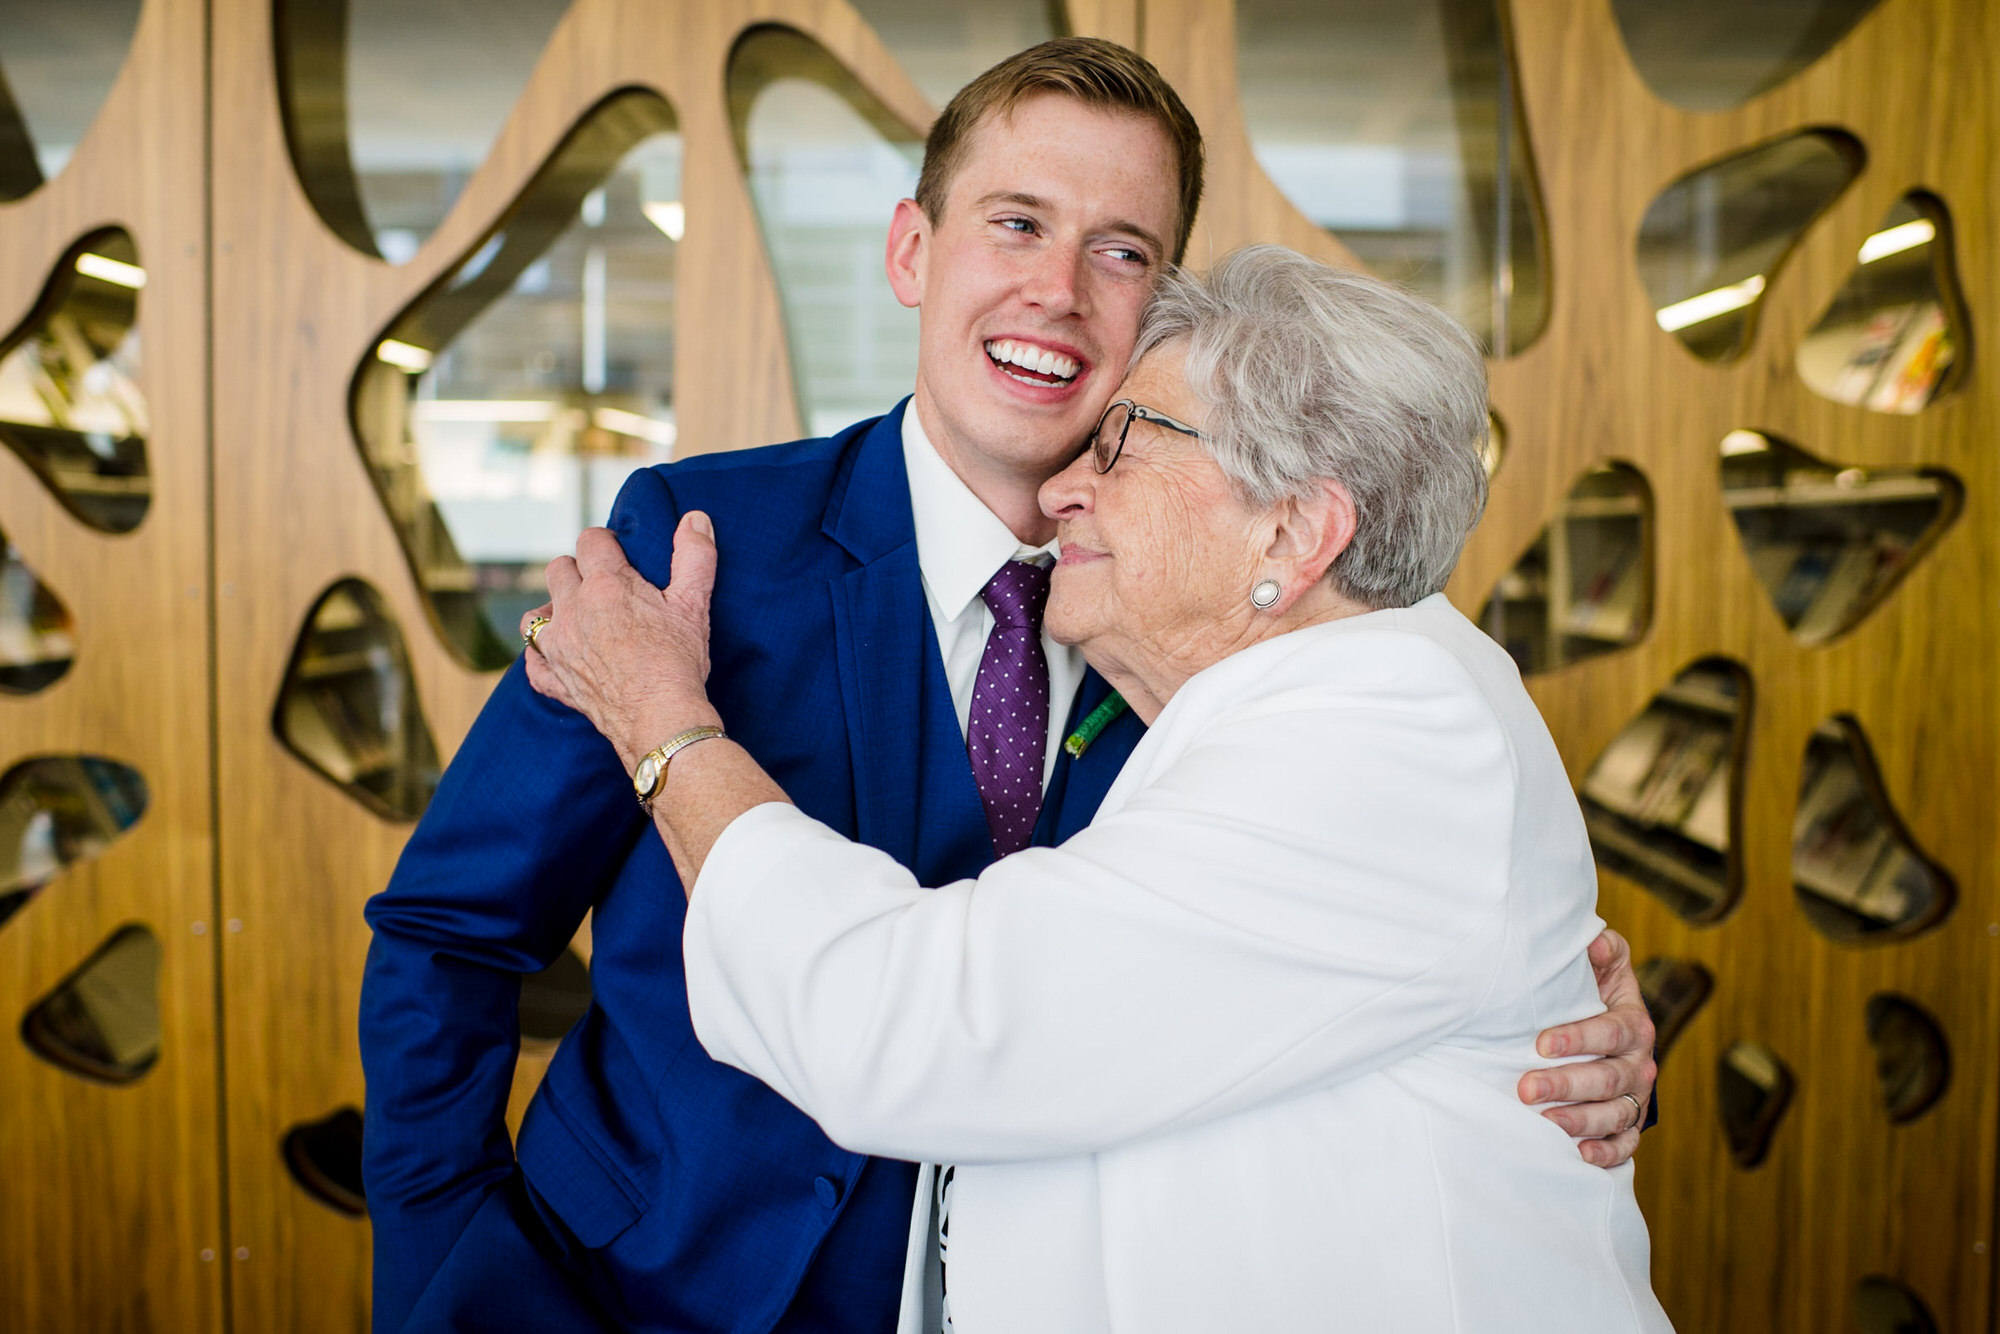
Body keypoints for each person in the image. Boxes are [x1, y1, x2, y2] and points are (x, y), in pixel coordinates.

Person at [359, 39, 1657, 1334]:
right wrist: (452, 1275)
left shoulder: (1232, 632)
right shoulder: (698, 545)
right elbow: (449, 932)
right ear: (913, 253)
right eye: (1018, 223)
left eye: (1123, 250)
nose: (1059, 290)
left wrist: (1551, 1019)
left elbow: (1341, 936)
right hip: (634, 1294)